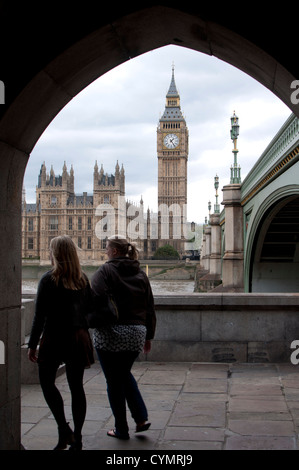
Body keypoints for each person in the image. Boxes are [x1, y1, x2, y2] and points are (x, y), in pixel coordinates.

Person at [28, 235, 94, 451]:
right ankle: (78, 438)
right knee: (77, 388)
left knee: (47, 383)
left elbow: (40, 316)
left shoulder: (48, 280)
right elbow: (91, 309)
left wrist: (32, 344)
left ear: (55, 254)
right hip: (79, 338)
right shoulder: (83, 279)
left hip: (55, 337)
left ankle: (64, 430)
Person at [91, 235, 156, 440]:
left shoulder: (105, 270)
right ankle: (141, 418)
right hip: (137, 334)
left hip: (111, 334)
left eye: (107, 248)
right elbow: (150, 308)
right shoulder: (140, 273)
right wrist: (148, 337)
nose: (105, 251)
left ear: (115, 252)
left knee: (114, 381)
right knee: (123, 374)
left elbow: (95, 299)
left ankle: (121, 429)